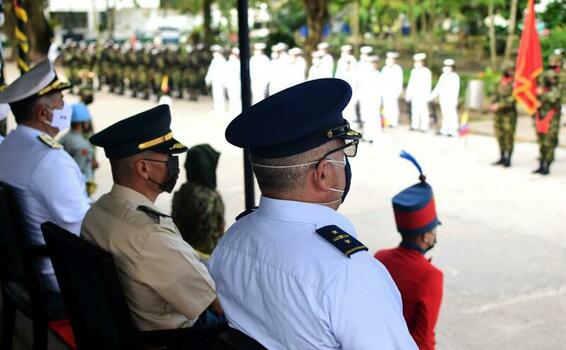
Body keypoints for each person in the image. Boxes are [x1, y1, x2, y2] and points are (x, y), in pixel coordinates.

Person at [208, 79, 417, 349]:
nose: (346, 163)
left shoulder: (233, 240)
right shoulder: (347, 273)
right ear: (323, 173)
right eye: (343, 154)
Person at [83, 105, 223, 330]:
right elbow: (217, 303)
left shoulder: (97, 212)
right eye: (168, 156)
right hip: (177, 339)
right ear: (144, 169)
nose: (174, 163)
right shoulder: (151, 235)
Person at [0, 60, 90, 293]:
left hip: (21, 267)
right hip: (58, 274)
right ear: (43, 113)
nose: (66, 108)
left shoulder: (8, 145)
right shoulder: (50, 160)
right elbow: (84, 228)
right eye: (61, 102)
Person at [375, 151, 443, 350]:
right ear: (425, 236)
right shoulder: (430, 276)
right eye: (434, 228)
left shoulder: (380, 257)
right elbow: (423, 339)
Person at [172, 144, 225, 258]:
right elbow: (211, 236)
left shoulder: (182, 191)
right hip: (204, 260)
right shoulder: (209, 198)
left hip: (182, 255)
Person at [533, 70, 562, 175]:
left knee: (549, 143)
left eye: (554, 78)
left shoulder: (555, 90)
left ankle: (547, 166)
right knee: (541, 143)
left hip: (551, 121)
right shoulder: (543, 89)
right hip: (541, 119)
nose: (552, 80)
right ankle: (541, 164)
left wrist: (542, 95)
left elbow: (553, 98)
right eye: (550, 78)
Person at [489, 62, 517, 167]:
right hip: (498, 115)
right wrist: (492, 103)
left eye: (512, 70)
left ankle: (508, 158)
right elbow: (494, 94)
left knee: (508, 136)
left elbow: (513, 99)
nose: (511, 72)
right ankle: (501, 156)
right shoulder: (499, 82)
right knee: (499, 135)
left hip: (509, 115)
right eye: (509, 70)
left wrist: (499, 105)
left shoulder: (515, 83)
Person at [430, 59, 460, 137]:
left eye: (449, 67)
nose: (446, 68)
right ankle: (444, 129)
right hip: (443, 99)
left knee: (452, 114)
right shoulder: (443, 76)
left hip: (451, 99)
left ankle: (453, 130)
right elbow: (438, 88)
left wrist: (455, 100)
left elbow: (456, 90)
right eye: (445, 66)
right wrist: (430, 97)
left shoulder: (455, 77)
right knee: (445, 114)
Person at [358, 55, 383, 142]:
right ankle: (366, 135)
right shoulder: (365, 75)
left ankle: (374, 136)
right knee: (365, 118)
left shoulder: (379, 75)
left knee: (374, 118)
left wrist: (379, 101)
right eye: (370, 63)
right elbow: (361, 87)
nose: (372, 65)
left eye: (374, 63)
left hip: (374, 100)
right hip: (365, 100)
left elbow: (380, 90)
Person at [406, 53, 432, 131]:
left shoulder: (427, 72)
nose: (417, 63)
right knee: (414, 110)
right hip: (415, 94)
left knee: (423, 110)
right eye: (416, 62)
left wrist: (427, 95)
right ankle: (415, 125)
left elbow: (428, 85)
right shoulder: (414, 71)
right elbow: (411, 83)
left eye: (419, 62)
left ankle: (424, 126)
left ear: (423, 62)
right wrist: (408, 93)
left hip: (423, 94)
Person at [381, 52, 404, 128]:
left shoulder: (398, 68)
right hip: (385, 91)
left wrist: (398, 91)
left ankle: (394, 122)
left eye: (391, 59)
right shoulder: (385, 68)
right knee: (386, 107)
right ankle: (387, 122)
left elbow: (399, 81)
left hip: (394, 91)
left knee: (393, 107)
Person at [205, 45, 226, 114]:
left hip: (220, 81)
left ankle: (221, 109)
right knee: (216, 95)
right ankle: (217, 108)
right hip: (215, 81)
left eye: (215, 52)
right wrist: (208, 78)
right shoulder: (214, 60)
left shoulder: (222, 60)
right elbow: (211, 71)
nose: (214, 54)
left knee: (220, 95)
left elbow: (224, 72)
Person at [225, 47, 242, 116]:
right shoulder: (228, 63)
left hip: (236, 83)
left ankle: (238, 112)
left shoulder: (238, 63)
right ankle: (232, 111)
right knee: (231, 97)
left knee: (236, 98)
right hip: (230, 83)